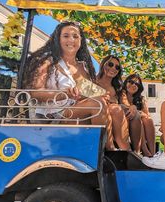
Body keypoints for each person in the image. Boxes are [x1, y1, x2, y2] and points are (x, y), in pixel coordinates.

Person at [23, 21, 115, 150]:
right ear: (58, 39)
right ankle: (108, 151)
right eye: (66, 36)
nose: (71, 39)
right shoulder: (48, 62)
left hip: (76, 111)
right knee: (97, 104)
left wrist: (105, 96)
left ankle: (126, 153)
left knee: (116, 109)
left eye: (75, 36)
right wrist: (65, 93)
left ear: (81, 41)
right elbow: (36, 93)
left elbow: (91, 93)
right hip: (55, 116)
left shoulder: (82, 67)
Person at [96, 55, 130, 150]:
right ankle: (126, 150)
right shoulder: (93, 82)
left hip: (119, 114)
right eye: (110, 64)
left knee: (139, 117)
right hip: (100, 113)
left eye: (117, 67)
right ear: (103, 64)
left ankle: (142, 152)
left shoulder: (118, 86)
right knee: (116, 109)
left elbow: (126, 104)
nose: (113, 68)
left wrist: (131, 108)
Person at [122, 74, 155, 156]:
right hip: (126, 121)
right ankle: (145, 151)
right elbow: (126, 107)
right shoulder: (122, 94)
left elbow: (146, 114)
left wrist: (139, 112)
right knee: (139, 119)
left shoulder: (141, 99)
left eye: (137, 84)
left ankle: (153, 153)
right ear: (126, 82)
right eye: (131, 82)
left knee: (148, 120)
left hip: (139, 121)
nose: (134, 85)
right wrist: (136, 110)